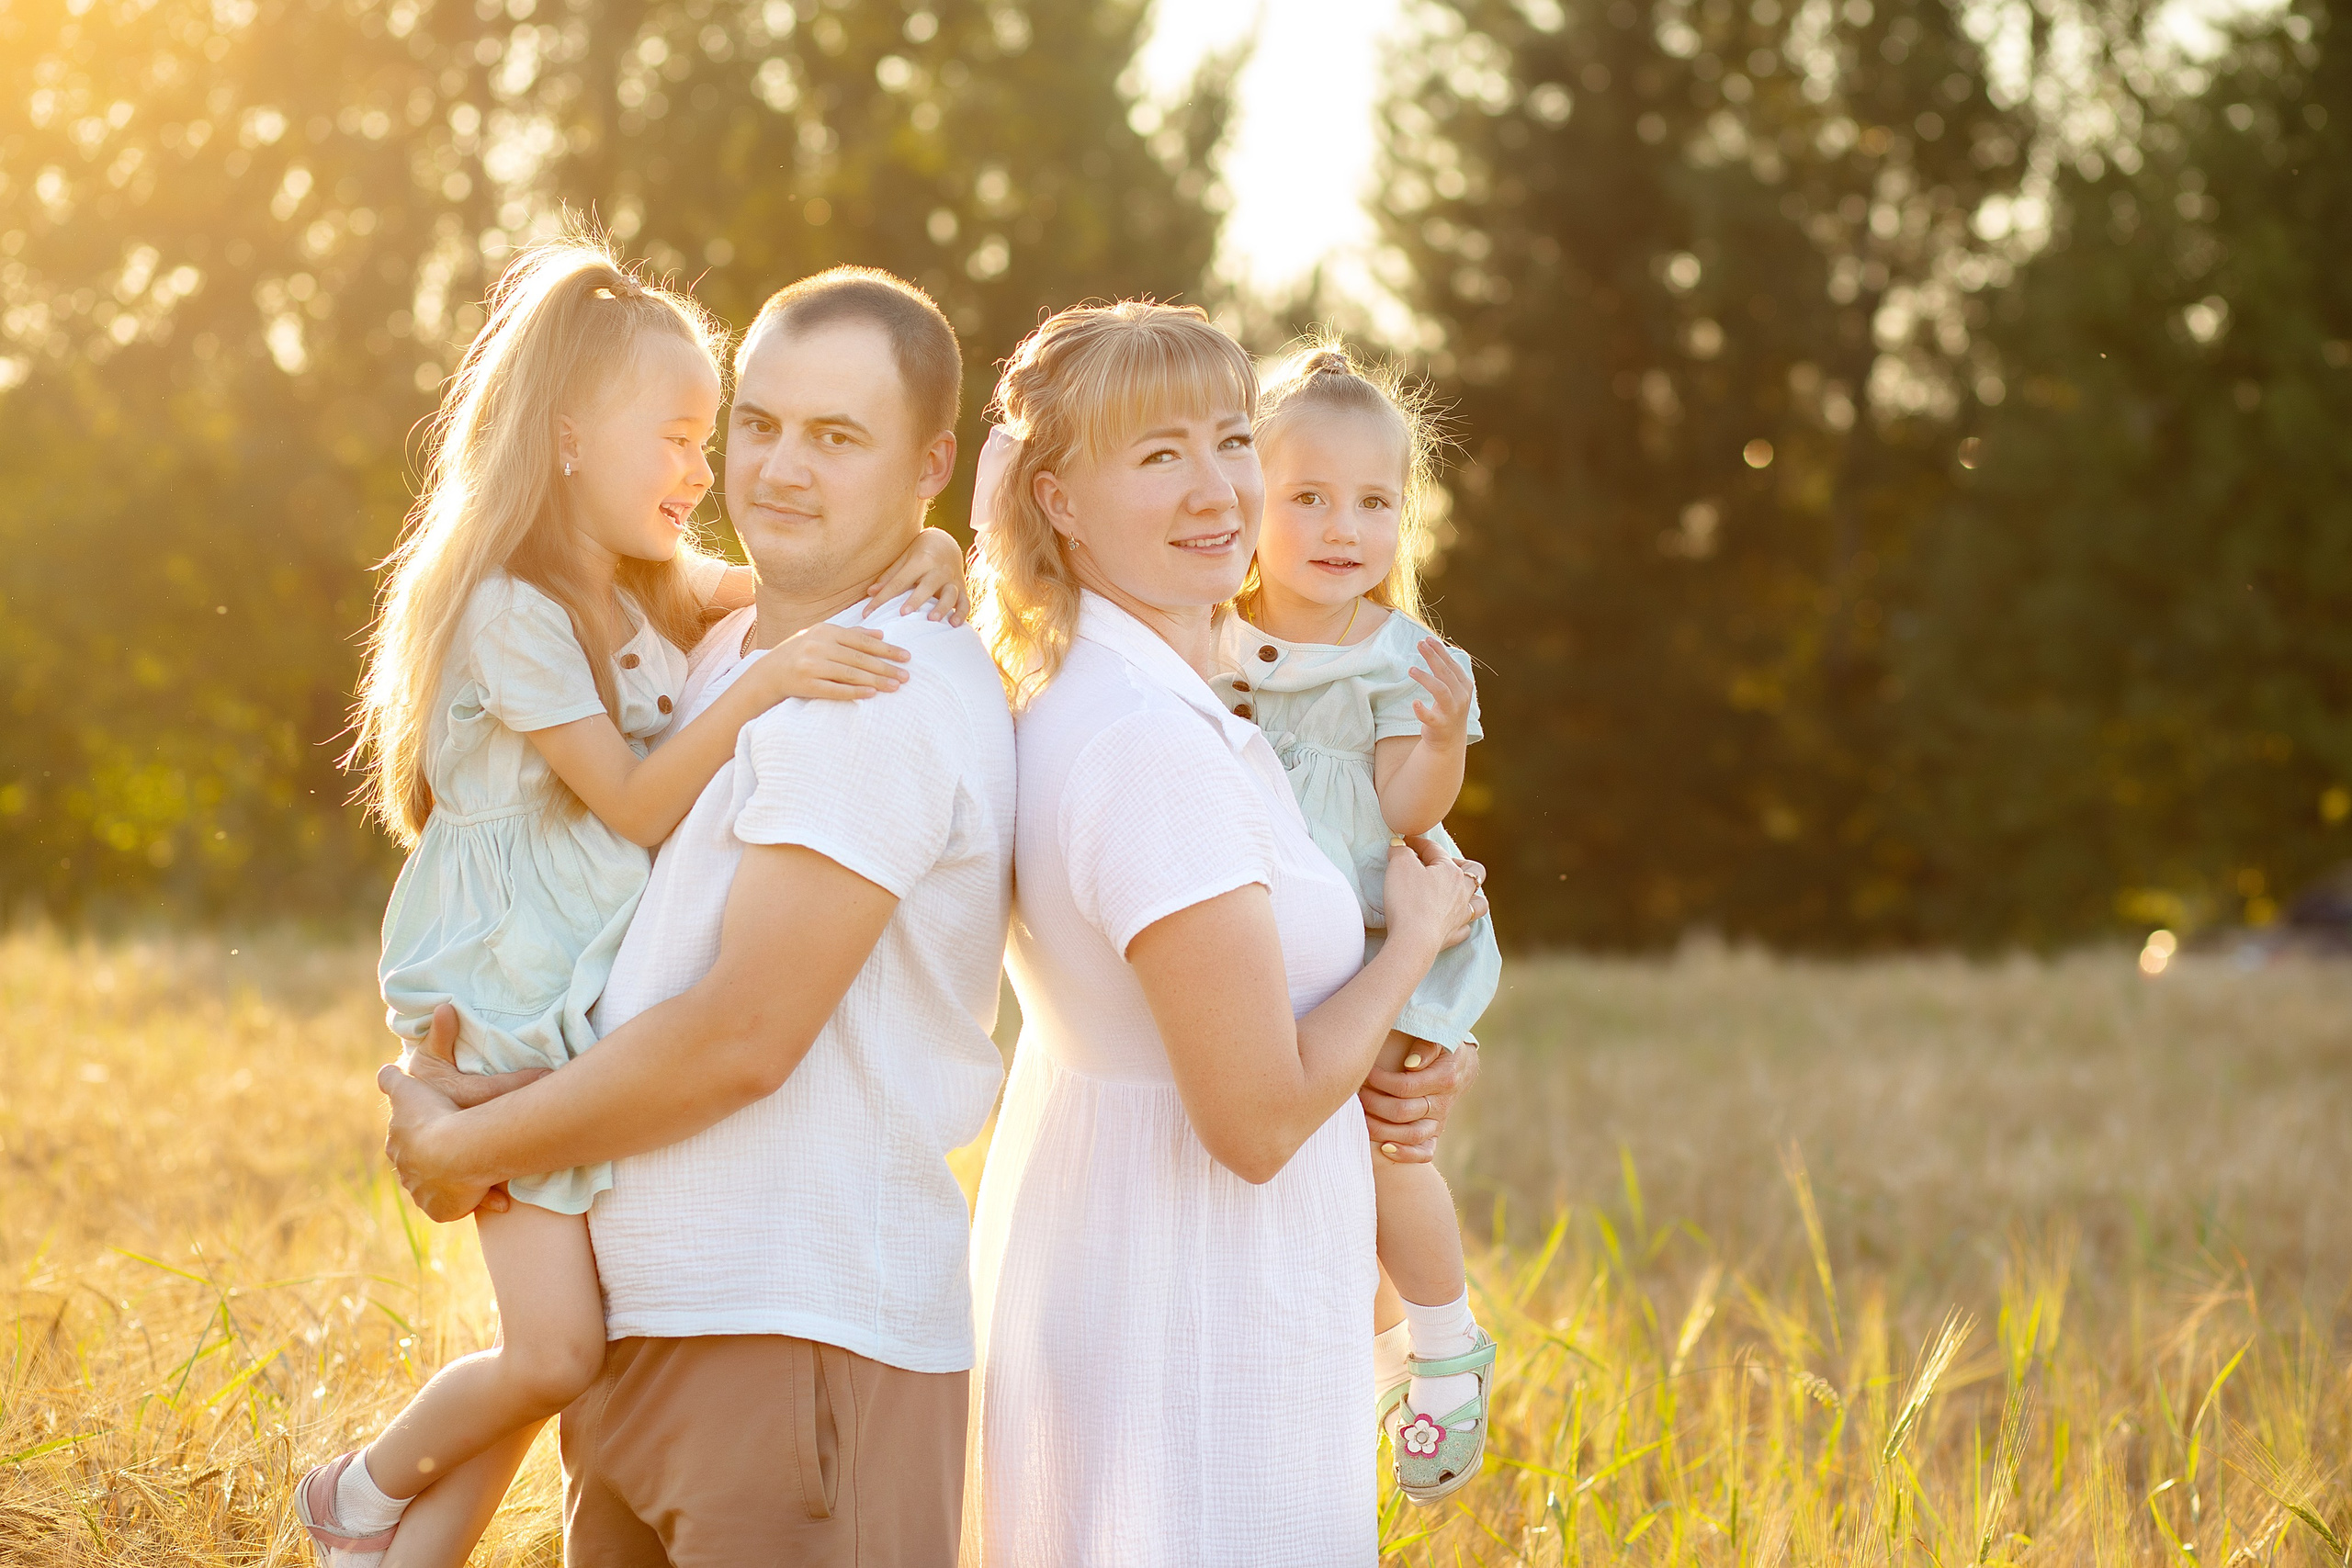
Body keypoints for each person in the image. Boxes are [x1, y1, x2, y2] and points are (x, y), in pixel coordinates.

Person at [303, 242, 967, 1567]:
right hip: (510, 1001)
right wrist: (770, 684)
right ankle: (359, 1502)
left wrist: (940, 546)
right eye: (703, 436)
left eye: (706, 439)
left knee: (553, 1346)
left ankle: (373, 1530)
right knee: (553, 1344)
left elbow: (811, 584)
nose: (715, 474)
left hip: (642, 1125)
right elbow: (640, 800)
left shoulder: (668, 598)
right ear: (565, 440)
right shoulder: (528, 611)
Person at [961, 300, 1487, 1566]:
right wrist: (1415, 944)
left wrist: (1404, 1055)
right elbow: (1252, 1120)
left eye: (1230, 440)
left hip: (1124, 1253)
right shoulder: (1152, 744)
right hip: (1193, 1308)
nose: (1219, 491)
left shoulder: (1099, 678)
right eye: (1157, 455)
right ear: (1060, 499)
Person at [1213, 339, 1504, 1503]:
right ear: (1252, 505)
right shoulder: (1220, 636)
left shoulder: (1405, 654)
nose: (1345, 526)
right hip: (1267, 931)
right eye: (1309, 498)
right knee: (1313, 1154)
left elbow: (1402, 813)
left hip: (1386, 923)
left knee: (1384, 1135)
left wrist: (1437, 741)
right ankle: (1381, 1348)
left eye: (1375, 502)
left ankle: (1442, 1347)